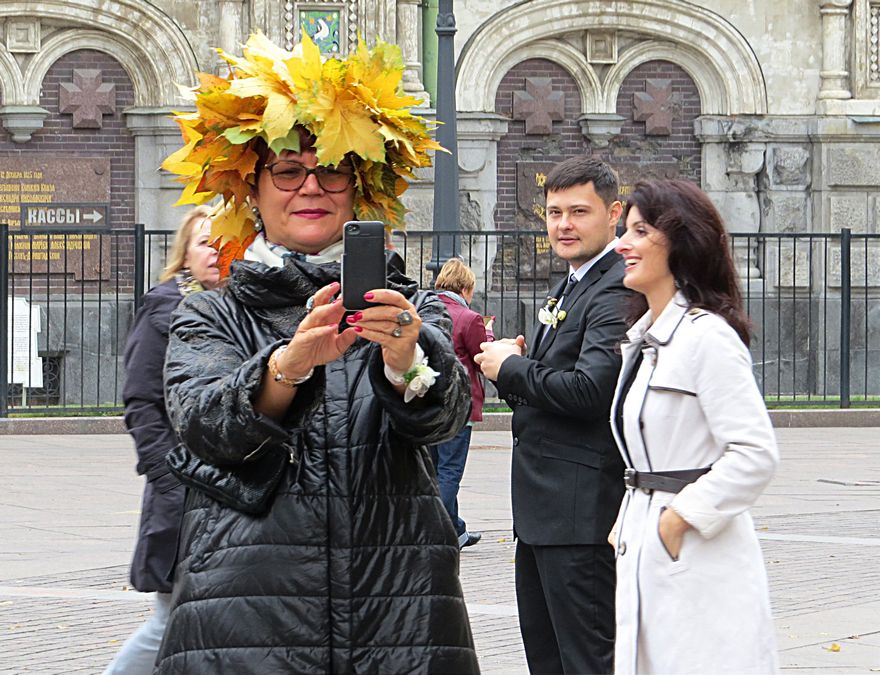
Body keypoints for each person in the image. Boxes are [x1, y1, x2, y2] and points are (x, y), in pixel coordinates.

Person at [153, 33, 479, 673]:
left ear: (359, 189)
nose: (311, 186)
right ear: (252, 189)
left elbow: (444, 419)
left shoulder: (414, 308)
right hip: (246, 610)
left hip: (400, 604)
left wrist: (403, 356)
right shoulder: (213, 311)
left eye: (332, 167)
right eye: (287, 169)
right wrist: (288, 366)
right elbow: (200, 425)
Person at [609, 179, 779, 674]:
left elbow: (754, 453)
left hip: (697, 553)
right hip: (647, 543)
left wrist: (678, 519)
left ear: (680, 240)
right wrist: (631, 518)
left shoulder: (707, 337)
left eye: (640, 231)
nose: (624, 244)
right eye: (625, 230)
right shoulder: (645, 340)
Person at [475, 156, 632, 674]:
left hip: (579, 513)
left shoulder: (615, 286)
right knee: (547, 658)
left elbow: (592, 391)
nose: (563, 224)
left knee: (585, 660)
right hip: (545, 510)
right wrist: (517, 368)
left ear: (613, 213)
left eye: (578, 211)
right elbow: (557, 384)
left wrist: (514, 368)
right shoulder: (574, 280)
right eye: (554, 212)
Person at [102, 206, 220, 675]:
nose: (214, 251)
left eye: (222, 241)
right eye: (204, 242)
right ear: (185, 254)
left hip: (231, 489)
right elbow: (140, 401)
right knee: (169, 621)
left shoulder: (241, 307)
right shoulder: (166, 306)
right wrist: (168, 476)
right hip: (183, 488)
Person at [431, 257, 493, 550]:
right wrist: (489, 333)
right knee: (450, 471)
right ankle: (441, 533)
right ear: (466, 287)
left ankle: (456, 530)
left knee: (431, 471)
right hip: (458, 406)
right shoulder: (469, 318)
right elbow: (482, 359)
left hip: (426, 404)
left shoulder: (424, 310)